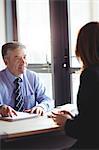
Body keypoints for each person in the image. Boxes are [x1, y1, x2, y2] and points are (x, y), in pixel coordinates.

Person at [51, 22, 99, 149]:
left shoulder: (91, 75)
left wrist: (66, 123)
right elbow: (93, 116)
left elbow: (90, 130)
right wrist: (75, 117)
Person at [0, 41, 54, 117]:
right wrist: (1, 108)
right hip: (6, 126)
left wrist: (41, 107)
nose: (23, 62)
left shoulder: (33, 77)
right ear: (6, 61)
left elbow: (48, 100)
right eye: (17, 58)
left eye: (24, 57)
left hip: (31, 124)